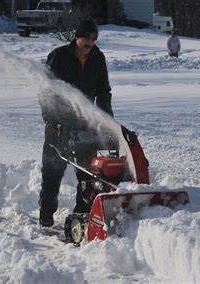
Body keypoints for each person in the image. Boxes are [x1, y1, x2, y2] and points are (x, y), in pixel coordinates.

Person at [38, 19, 113, 227]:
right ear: (77, 37)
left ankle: (81, 215)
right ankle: (46, 216)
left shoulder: (98, 58)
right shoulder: (59, 56)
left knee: (88, 173)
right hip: (58, 124)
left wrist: (107, 121)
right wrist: (51, 120)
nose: (90, 42)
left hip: (85, 125)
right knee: (53, 171)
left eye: (94, 38)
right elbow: (46, 90)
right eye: (87, 37)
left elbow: (103, 92)